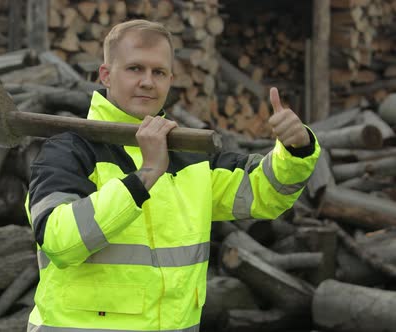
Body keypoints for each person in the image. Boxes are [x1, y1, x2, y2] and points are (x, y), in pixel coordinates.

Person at [25, 19, 320, 332]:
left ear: (170, 80)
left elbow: (266, 193)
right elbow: (59, 242)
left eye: (159, 72)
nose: (148, 82)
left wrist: (295, 150)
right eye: (135, 69)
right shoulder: (69, 151)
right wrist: (145, 176)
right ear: (106, 75)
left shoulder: (190, 157)